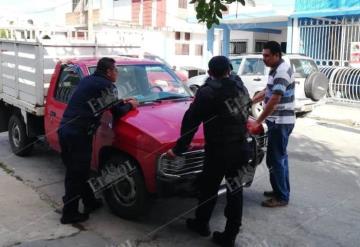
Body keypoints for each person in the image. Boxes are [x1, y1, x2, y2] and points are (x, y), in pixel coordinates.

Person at [167, 56, 252, 247]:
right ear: (229, 70)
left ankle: (201, 223)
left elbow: (191, 121)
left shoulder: (207, 92)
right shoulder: (240, 87)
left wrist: (179, 149)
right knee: (235, 191)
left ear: (210, 72)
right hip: (241, 147)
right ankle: (230, 235)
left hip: (219, 151)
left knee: (209, 189)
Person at [58, 57, 138, 224]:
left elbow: (101, 102)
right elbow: (117, 112)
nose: (117, 74)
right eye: (116, 70)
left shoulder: (88, 80)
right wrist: (131, 105)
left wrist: (120, 101)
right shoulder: (108, 85)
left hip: (66, 131)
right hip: (78, 135)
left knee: (79, 171)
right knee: (76, 174)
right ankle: (69, 214)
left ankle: (90, 202)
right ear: (109, 72)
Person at [248, 41, 295, 207]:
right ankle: (281, 190)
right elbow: (268, 91)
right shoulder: (275, 69)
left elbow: (274, 99)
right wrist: (251, 100)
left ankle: (281, 196)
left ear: (277, 55)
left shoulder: (281, 71)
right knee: (280, 159)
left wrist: (258, 121)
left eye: (267, 56)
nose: (264, 59)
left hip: (280, 122)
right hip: (278, 121)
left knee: (275, 160)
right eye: (263, 55)